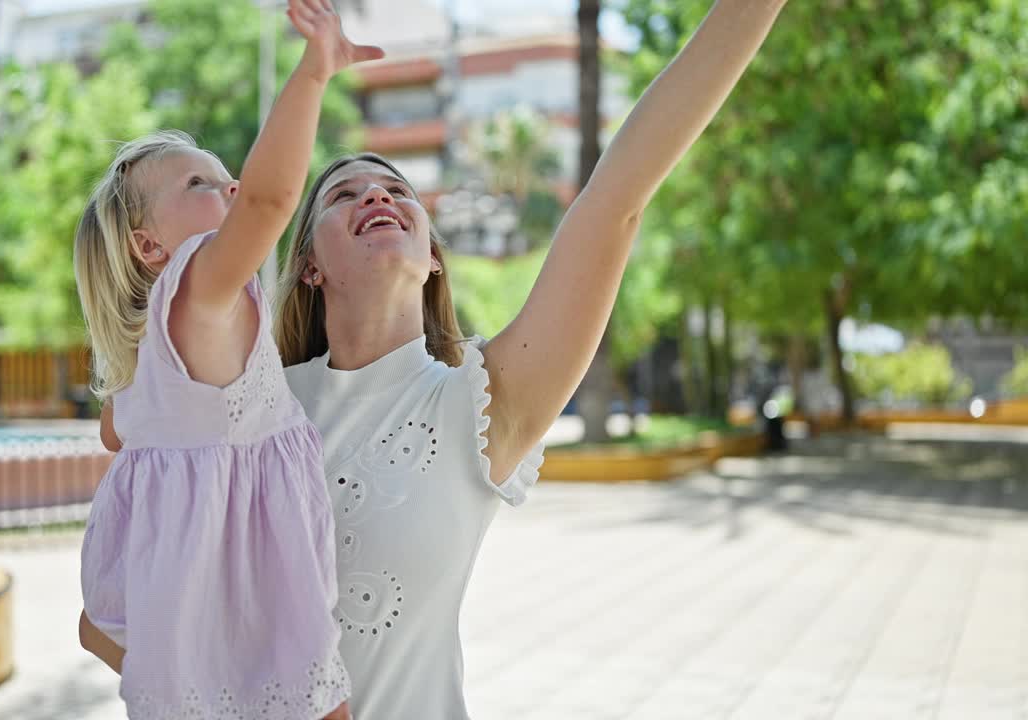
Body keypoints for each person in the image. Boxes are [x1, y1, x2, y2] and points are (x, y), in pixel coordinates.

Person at [83, 0, 789, 716]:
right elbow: (110, 618)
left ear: (432, 260)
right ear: (308, 267)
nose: (378, 195)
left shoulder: (485, 402)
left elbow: (614, 202)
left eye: (399, 191)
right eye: (343, 194)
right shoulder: (239, 401)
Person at [72, 1, 382, 716]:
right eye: (202, 186)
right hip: (262, 629)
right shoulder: (201, 293)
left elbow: (117, 435)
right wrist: (313, 73)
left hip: (187, 658)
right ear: (150, 248)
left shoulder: (150, 359)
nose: (232, 188)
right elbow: (272, 198)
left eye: (223, 176)